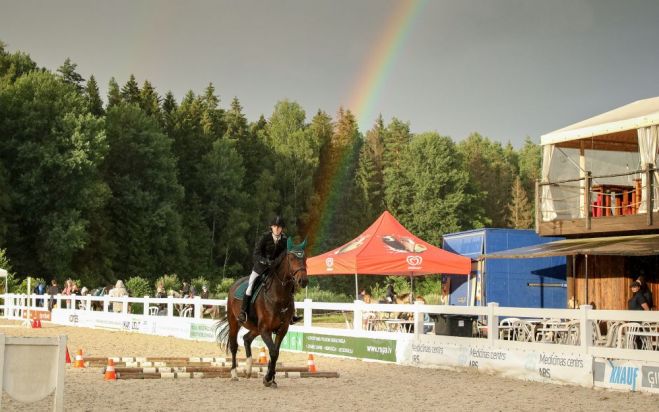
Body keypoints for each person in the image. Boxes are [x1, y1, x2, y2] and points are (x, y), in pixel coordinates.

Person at [239, 215, 288, 323]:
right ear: (271, 227)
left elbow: (285, 255)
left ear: (282, 228)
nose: (277, 229)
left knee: (288, 286)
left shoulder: (285, 240)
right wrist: (266, 261)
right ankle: (243, 312)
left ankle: (290, 314)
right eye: (275, 226)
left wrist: (277, 263)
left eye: (279, 227)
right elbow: (256, 254)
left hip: (275, 270)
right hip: (260, 268)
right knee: (250, 287)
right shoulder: (265, 237)